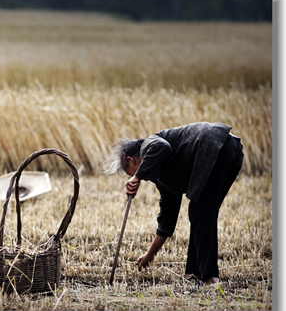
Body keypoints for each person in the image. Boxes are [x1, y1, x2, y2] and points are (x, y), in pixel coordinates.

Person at [103, 122, 244, 286]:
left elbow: (161, 147)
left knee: (200, 212)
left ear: (131, 160)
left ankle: (210, 278)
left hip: (216, 145)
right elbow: (167, 221)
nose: (133, 177)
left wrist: (137, 177)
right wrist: (150, 254)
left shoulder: (150, 144)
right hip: (228, 149)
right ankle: (196, 273)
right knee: (202, 211)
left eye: (129, 173)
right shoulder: (163, 178)